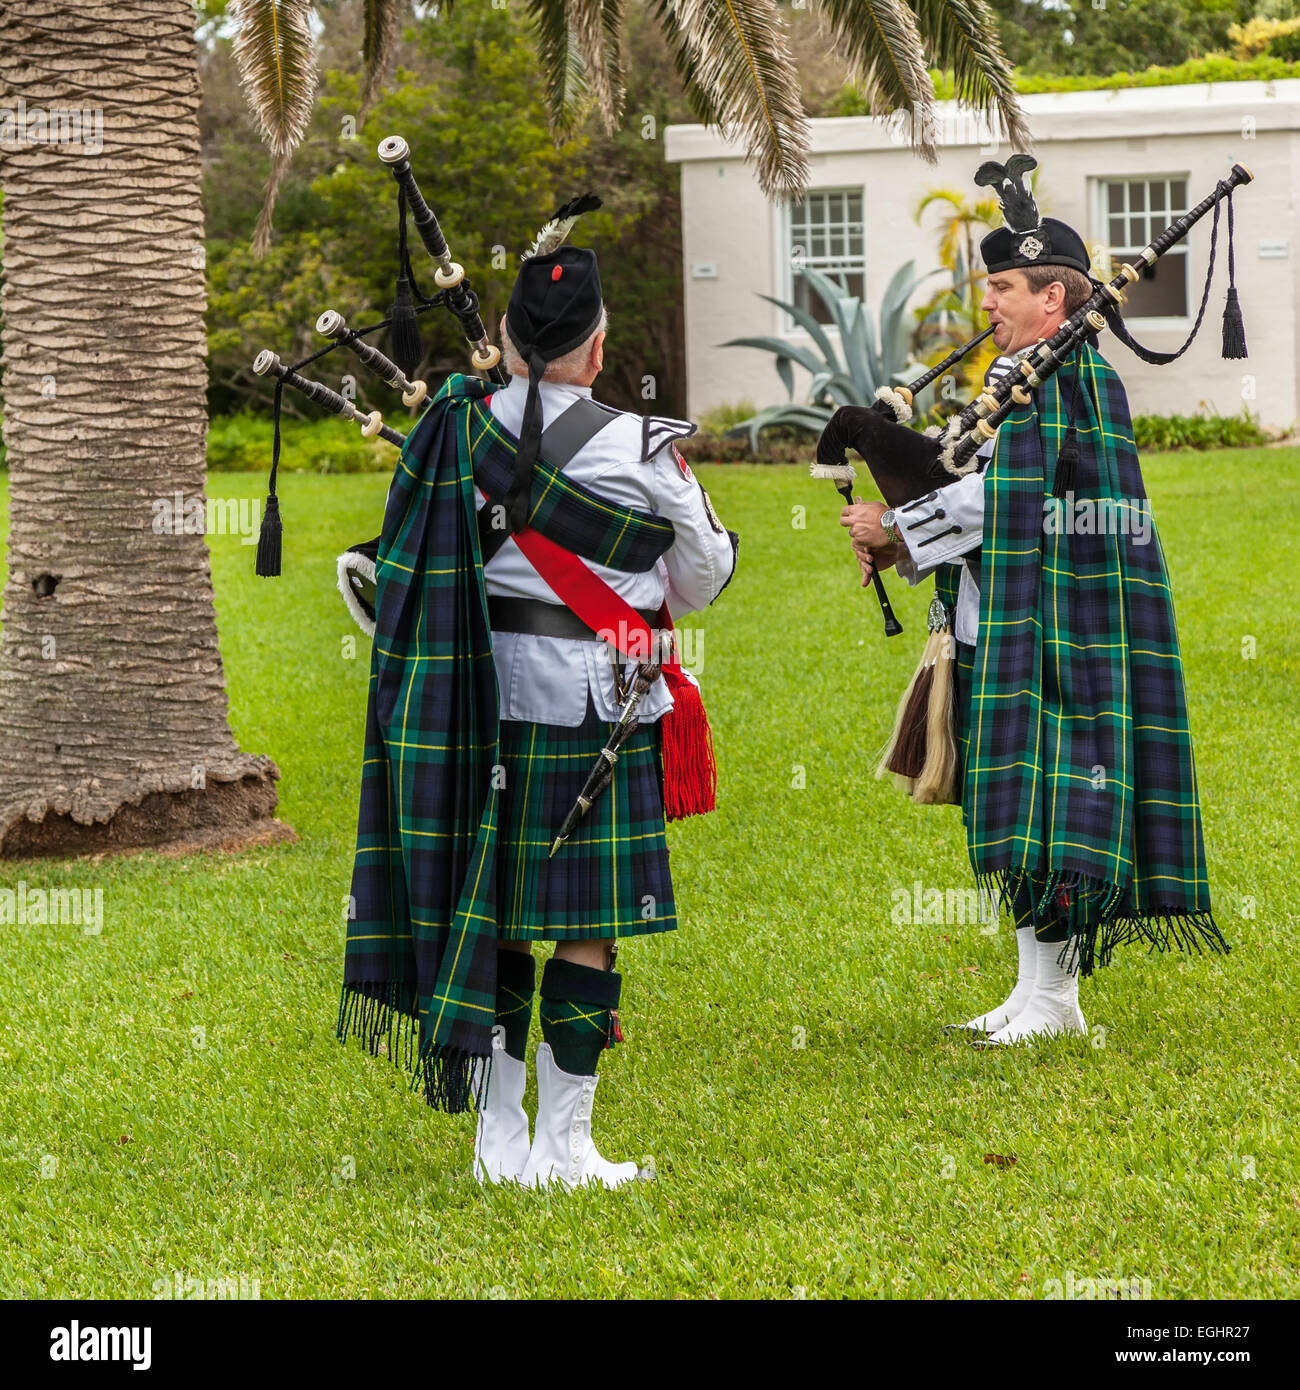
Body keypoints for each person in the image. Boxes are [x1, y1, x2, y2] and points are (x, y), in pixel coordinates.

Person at [337, 206, 738, 1186]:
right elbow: (701, 579)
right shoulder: (644, 448)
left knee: (501, 920)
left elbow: (403, 570)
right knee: (586, 928)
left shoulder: (450, 434)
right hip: (599, 703)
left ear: (509, 343)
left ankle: (496, 1144)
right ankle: (566, 1147)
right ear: (597, 347)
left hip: (476, 712)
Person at [837, 156, 1227, 1044]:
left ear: (1055, 298)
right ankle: (1034, 988)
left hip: (1058, 629)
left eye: (1004, 287)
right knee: (1009, 802)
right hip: (998, 618)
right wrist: (895, 478)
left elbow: (1000, 500)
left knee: (1046, 805)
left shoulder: (1073, 381)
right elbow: (966, 475)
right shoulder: (1019, 379)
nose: (989, 304)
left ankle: (1057, 1002)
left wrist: (899, 529)